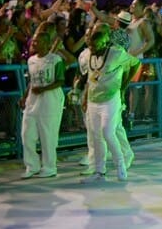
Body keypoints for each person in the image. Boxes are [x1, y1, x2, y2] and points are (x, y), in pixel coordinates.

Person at [80, 21, 140, 182]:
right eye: (91, 46)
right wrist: (85, 97)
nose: (93, 49)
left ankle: (120, 165)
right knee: (96, 136)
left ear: (105, 42)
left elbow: (136, 63)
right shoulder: (90, 55)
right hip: (94, 100)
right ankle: (99, 172)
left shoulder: (116, 53)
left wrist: (123, 87)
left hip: (110, 99)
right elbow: (90, 78)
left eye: (96, 46)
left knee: (108, 132)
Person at [19, 26, 66, 178]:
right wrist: (25, 96)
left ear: (46, 43)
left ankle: (49, 167)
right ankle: (31, 166)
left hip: (50, 101)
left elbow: (60, 81)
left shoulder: (55, 59)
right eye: (33, 41)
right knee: (27, 134)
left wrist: (44, 88)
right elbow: (32, 82)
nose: (33, 43)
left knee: (48, 136)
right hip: (32, 102)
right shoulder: (31, 60)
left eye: (37, 41)